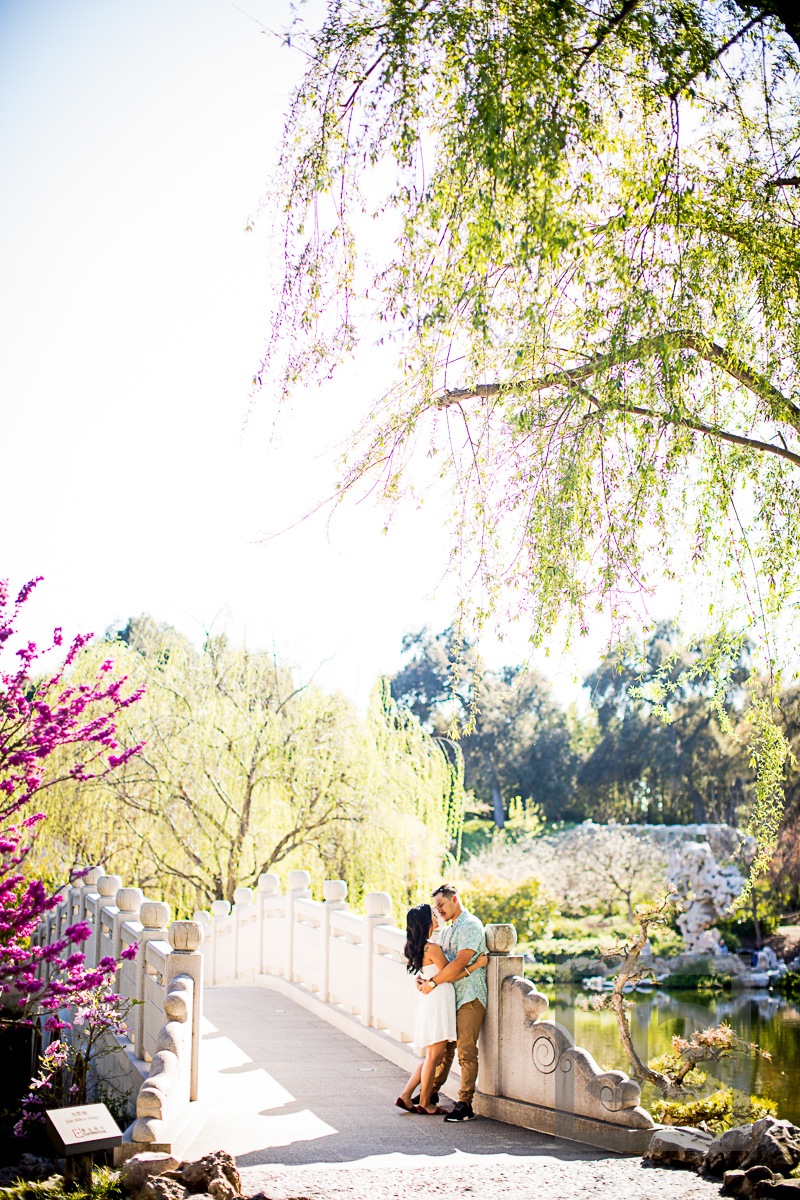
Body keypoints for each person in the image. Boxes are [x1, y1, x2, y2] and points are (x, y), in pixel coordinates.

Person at [396, 903, 488, 1115]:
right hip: (438, 1000)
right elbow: (451, 974)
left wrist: (425, 981)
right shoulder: (433, 948)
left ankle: (407, 1096)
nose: (438, 917)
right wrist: (476, 965)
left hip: (433, 1000)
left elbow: (425, 974)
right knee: (434, 1056)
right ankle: (425, 1103)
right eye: (434, 914)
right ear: (427, 922)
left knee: (434, 1055)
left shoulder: (418, 946)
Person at [417, 882, 487, 1122]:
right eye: (436, 907)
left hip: (470, 995)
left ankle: (465, 1103)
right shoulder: (447, 930)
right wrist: (423, 978)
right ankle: (430, 1093)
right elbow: (439, 963)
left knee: (466, 1051)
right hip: (450, 997)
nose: (439, 911)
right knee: (444, 1051)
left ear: (455, 899)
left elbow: (459, 963)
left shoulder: (471, 925)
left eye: (442, 905)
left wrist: (433, 982)